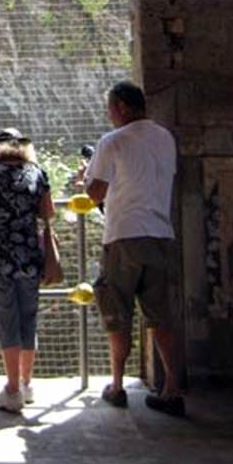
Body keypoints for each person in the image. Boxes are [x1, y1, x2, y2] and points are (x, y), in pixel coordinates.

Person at [84, 80, 184, 417]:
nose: (109, 115)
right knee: (161, 315)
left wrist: (87, 177)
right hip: (160, 233)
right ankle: (171, 387)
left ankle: (116, 385)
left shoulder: (112, 141)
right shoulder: (165, 137)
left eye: (111, 108)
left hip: (124, 235)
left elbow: (95, 194)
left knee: (118, 311)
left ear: (122, 107)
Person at [0, 132, 54, 413]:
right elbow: (48, 212)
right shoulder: (36, 172)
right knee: (28, 317)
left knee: (7, 319)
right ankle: (27, 384)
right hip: (29, 255)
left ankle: (12, 389)